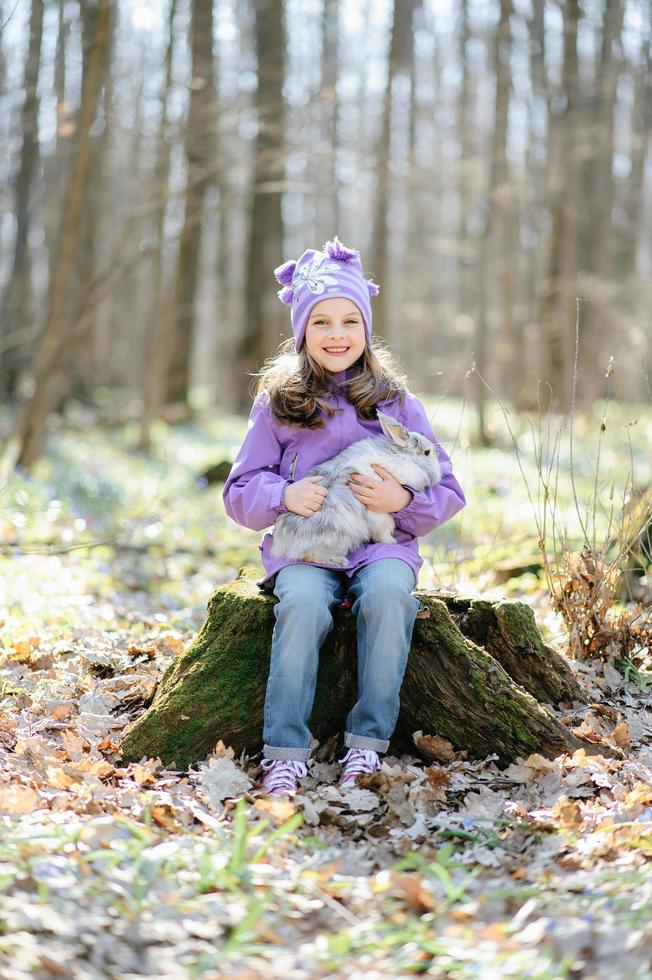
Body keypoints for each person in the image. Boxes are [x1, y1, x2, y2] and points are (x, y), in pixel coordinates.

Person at [223, 236, 465, 796]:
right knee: (303, 604)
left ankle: (367, 744)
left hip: (384, 545)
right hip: (307, 545)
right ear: (303, 332)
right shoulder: (281, 401)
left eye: (350, 321)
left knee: (387, 599)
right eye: (322, 323)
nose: (337, 335)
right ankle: (285, 749)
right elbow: (239, 488)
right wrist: (285, 496)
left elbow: (447, 485)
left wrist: (403, 504)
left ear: (366, 328)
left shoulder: (396, 403)